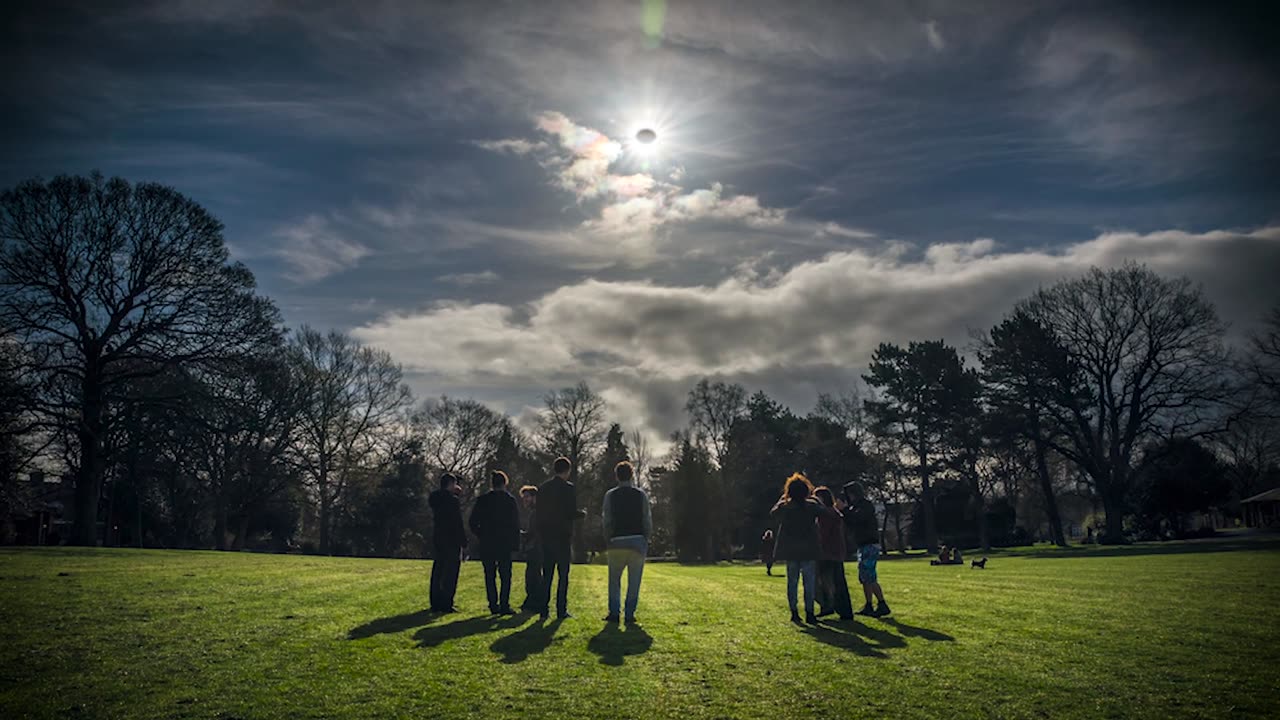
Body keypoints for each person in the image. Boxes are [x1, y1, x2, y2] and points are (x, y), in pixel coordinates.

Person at [770, 472, 834, 624]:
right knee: (809, 583)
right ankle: (810, 613)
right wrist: (816, 499)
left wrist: (782, 499)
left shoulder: (785, 507)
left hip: (791, 550)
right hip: (809, 549)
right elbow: (826, 512)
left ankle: (794, 612)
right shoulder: (811, 506)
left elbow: (773, 513)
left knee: (792, 582)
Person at [602, 460, 652, 625]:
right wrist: (646, 537)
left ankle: (614, 612)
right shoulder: (641, 495)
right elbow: (646, 519)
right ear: (631, 475)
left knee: (614, 579)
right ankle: (629, 614)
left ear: (617, 476)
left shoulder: (610, 495)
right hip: (637, 539)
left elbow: (607, 519)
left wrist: (608, 538)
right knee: (634, 580)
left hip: (617, 539)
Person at [469, 470, 521, 615]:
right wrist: (515, 544)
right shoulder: (510, 501)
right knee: (505, 575)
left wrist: (481, 534)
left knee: (489, 574)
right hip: (504, 543)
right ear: (504, 483)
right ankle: (504, 604)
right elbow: (515, 524)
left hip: (487, 542)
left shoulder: (483, 500)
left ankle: (493, 604)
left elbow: (473, 522)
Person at [537, 456, 579, 620]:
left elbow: (539, 513)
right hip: (563, 536)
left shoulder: (543, 488)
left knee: (547, 574)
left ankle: (543, 609)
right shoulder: (568, 488)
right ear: (567, 471)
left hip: (547, 536)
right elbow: (570, 512)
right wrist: (580, 514)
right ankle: (561, 609)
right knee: (563, 575)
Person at [840, 481, 890, 617]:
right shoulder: (857, 507)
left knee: (869, 576)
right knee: (864, 577)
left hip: (869, 544)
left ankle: (881, 603)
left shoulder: (865, 506)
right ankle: (869, 604)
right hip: (863, 544)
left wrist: (844, 510)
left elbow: (857, 519)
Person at [428, 473, 466, 613]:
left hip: (438, 537)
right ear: (450, 484)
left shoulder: (435, 498)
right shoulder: (452, 501)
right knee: (450, 572)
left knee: (438, 570)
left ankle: (435, 601)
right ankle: (446, 602)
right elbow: (457, 522)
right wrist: (463, 540)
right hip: (452, 539)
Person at [813, 486, 853, 620]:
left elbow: (822, 535)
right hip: (834, 552)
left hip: (829, 552)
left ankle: (834, 607)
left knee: (830, 581)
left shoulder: (826, 514)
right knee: (833, 581)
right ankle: (835, 608)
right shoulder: (832, 512)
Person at [518, 485, 543, 613]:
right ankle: (534, 601)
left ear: (534, 497)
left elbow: (534, 533)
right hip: (536, 547)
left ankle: (534, 602)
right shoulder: (536, 512)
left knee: (533, 576)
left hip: (536, 547)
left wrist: (522, 534)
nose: (525, 500)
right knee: (533, 575)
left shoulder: (537, 513)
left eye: (527, 497)